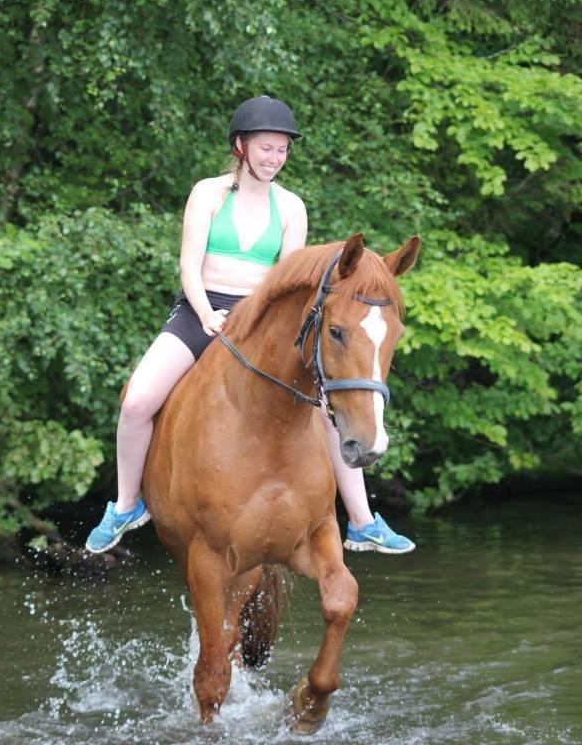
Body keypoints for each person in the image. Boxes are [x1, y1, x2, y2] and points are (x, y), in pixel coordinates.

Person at [86, 96, 415, 557]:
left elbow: (285, 282)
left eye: (282, 150)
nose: (274, 159)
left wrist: (256, 321)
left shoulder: (292, 207)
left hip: (259, 318)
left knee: (325, 406)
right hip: (202, 310)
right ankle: (125, 504)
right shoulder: (208, 192)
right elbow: (188, 266)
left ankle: (362, 522)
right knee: (139, 399)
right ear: (242, 146)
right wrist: (204, 314)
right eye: (266, 148)